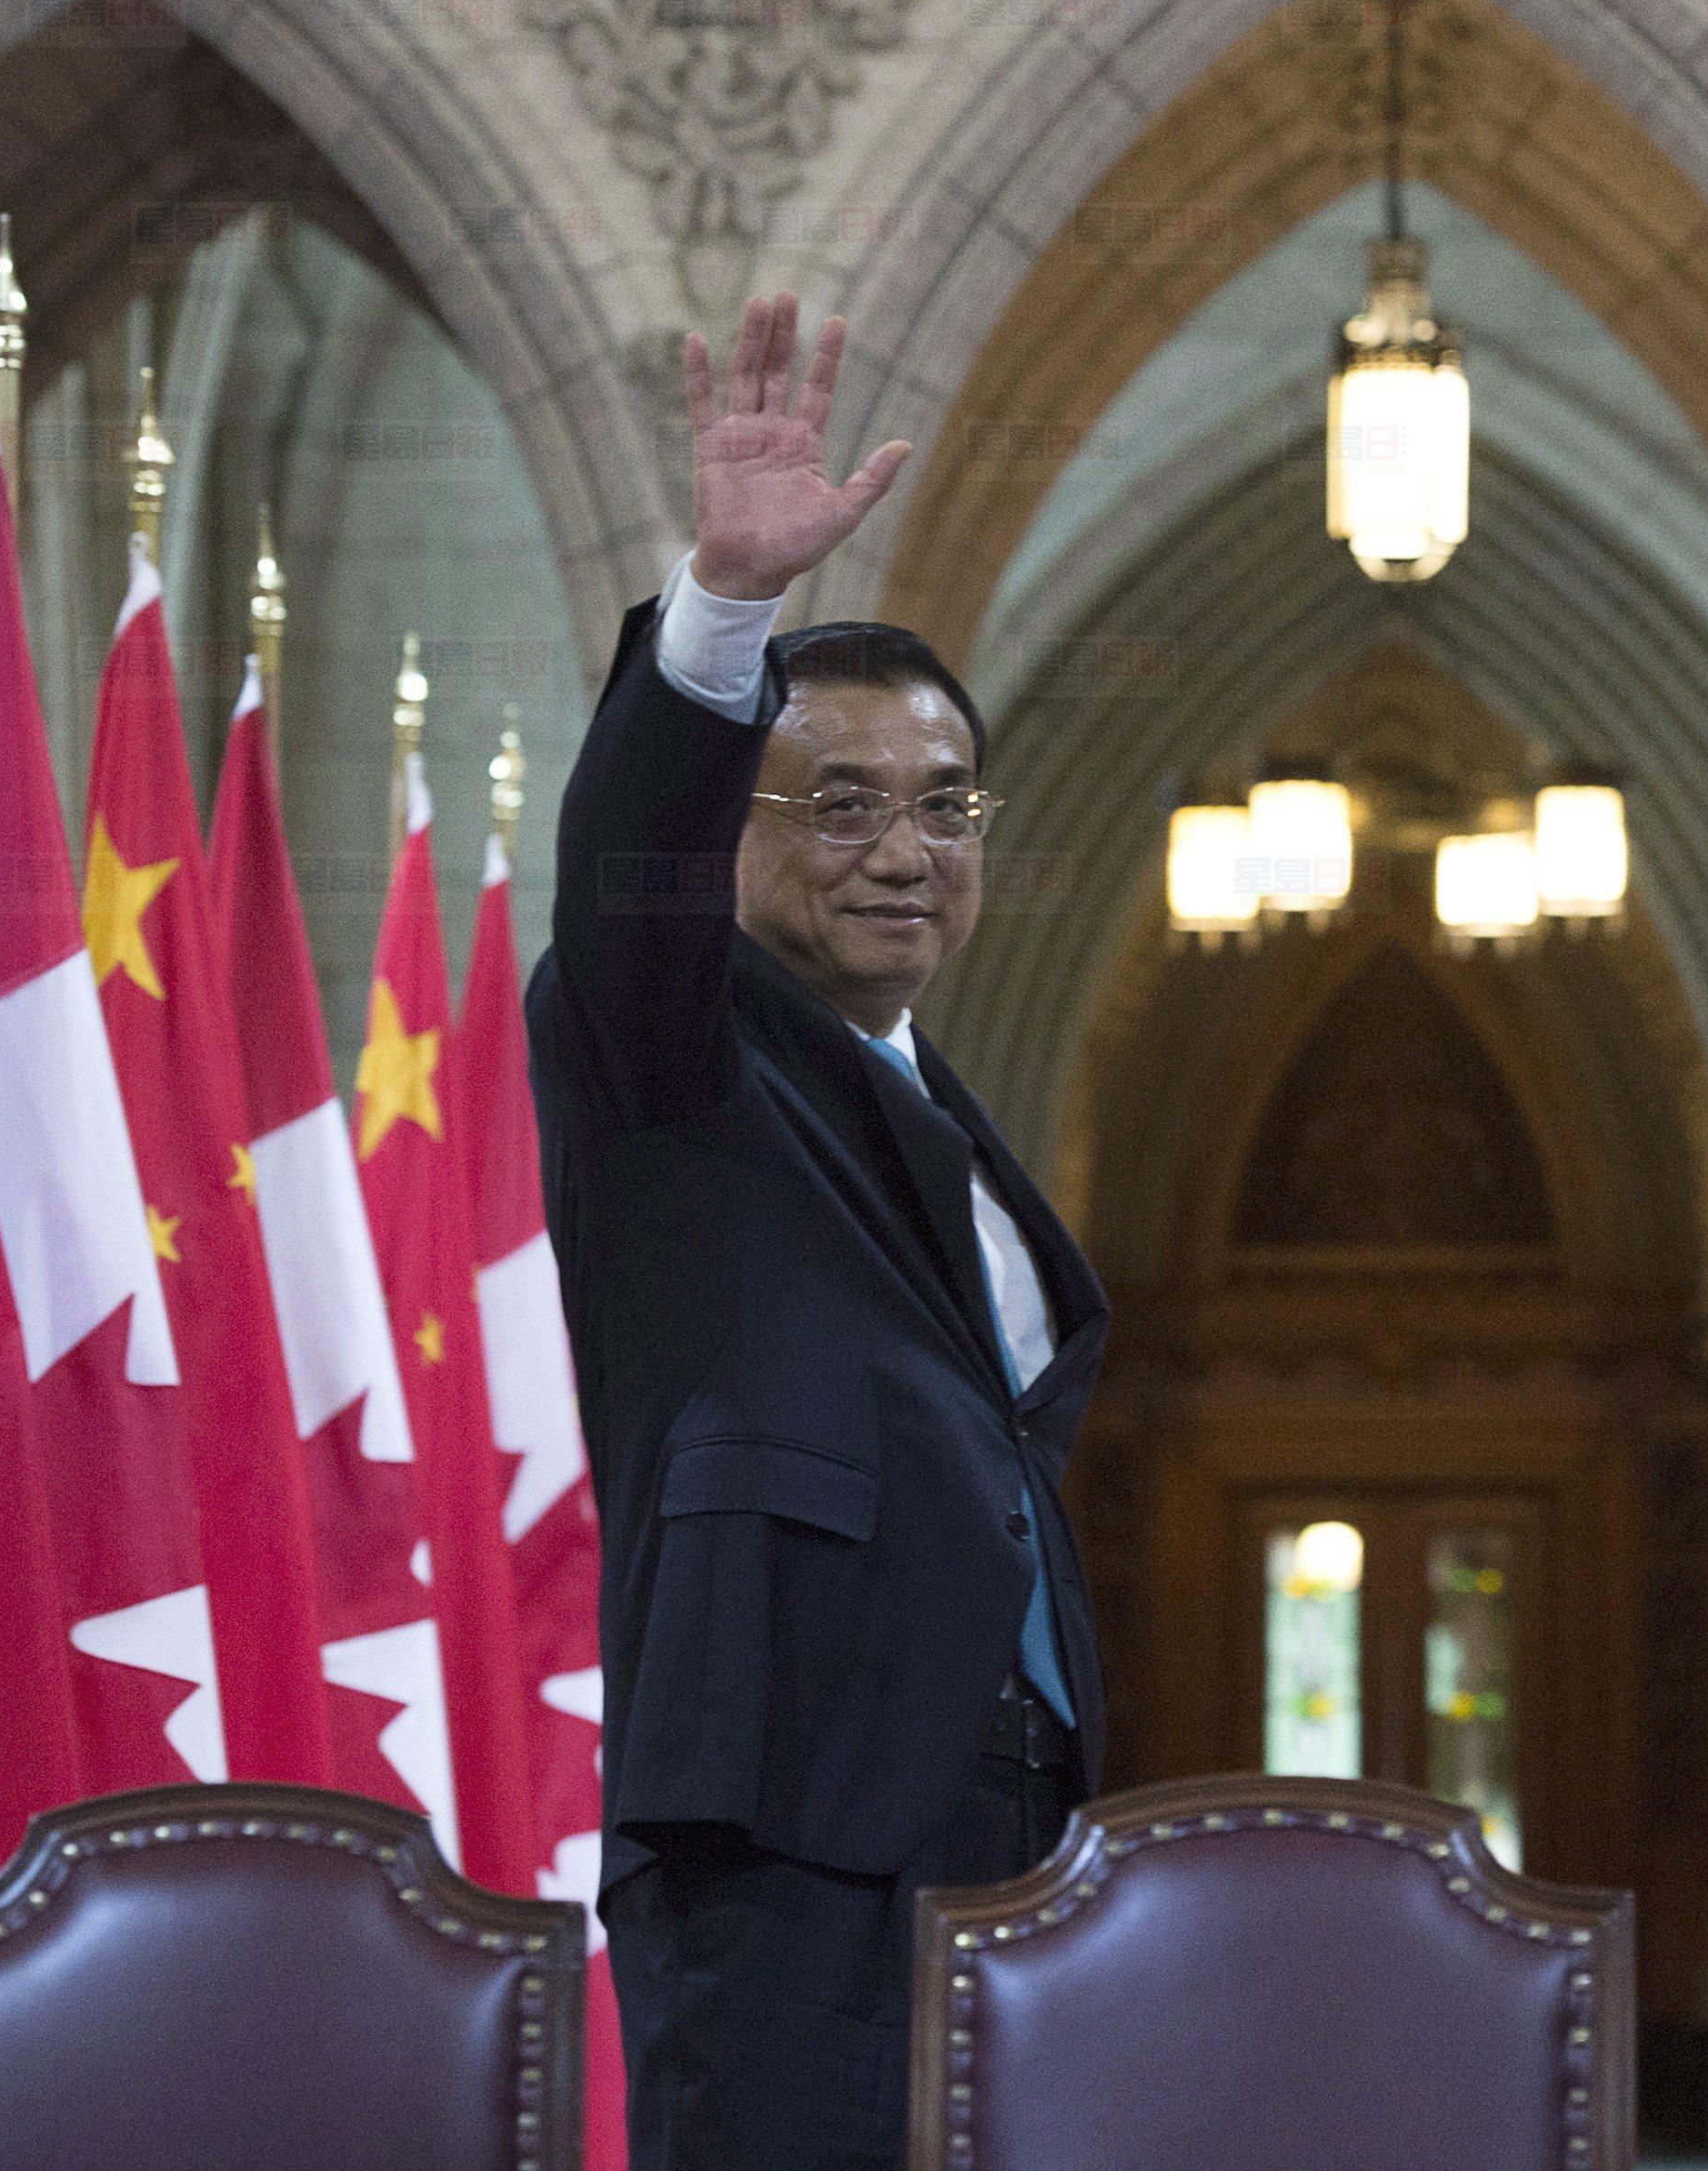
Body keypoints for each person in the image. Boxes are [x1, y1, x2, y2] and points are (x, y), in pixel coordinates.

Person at [530, 295, 1108, 2169]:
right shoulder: (668, 1056)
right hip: (788, 1848)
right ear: (733, 838)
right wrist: (721, 609)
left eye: (945, 807)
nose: (901, 849)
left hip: (1016, 1835)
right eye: (839, 802)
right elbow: (624, 869)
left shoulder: (940, 1104)